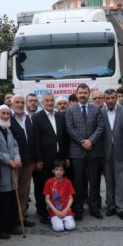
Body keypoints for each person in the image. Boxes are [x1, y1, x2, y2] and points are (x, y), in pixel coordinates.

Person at [65, 83, 105, 220]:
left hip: (94, 151)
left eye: (85, 93)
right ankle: (79, 208)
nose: (82, 95)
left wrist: (91, 141)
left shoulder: (96, 109)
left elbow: (100, 127)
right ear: (76, 94)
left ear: (89, 94)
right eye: (80, 93)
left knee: (94, 181)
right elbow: (70, 129)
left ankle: (94, 208)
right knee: (79, 183)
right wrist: (83, 142)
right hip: (77, 152)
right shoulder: (70, 110)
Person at [32, 93, 69, 224]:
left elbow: (63, 138)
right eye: (47, 101)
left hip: (59, 158)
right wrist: (38, 159)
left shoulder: (60, 116)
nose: (49, 103)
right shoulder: (37, 117)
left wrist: (65, 157)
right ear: (42, 102)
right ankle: (42, 212)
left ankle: (58, 209)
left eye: (51, 100)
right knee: (42, 186)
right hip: (44, 159)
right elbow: (35, 140)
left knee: (58, 186)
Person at [101, 88, 123, 220]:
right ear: (104, 99)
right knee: (109, 181)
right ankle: (111, 205)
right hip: (106, 152)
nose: (110, 101)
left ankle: (121, 207)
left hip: (121, 150)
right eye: (107, 98)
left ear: (116, 98)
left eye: (112, 98)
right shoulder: (100, 112)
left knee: (121, 180)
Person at [0, 105, 21, 240]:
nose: (5, 116)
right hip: (2, 170)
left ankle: (11, 225)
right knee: (2, 202)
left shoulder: (8, 129)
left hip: (12, 170)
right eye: (3, 113)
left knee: (11, 200)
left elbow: (15, 145)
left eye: (7, 114)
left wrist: (17, 158)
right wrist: (8, 160)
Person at [9, 94, 37, 228]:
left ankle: (22, 216)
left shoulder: (28, 118)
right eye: (17, 102)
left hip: (28, 161)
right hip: (15, 162)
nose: (20, 105)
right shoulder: (7, 118)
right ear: (11, 104)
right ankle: (12, 218)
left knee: (25, 191)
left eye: (21, 102)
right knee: (13, 191)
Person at [43, 159, 76, 232]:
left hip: (66, 209)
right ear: (53, 171)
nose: (59, 172)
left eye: (61, 170)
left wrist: (66, 210)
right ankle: (53, 221)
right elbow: (47, 199)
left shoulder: (67, 182)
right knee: (59, 228)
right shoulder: (49, 182)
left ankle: (64, 220)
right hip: (54, 210)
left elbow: (71, 198)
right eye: (57, 169)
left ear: (64, 171)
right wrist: (56, 211)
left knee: (71, 226)